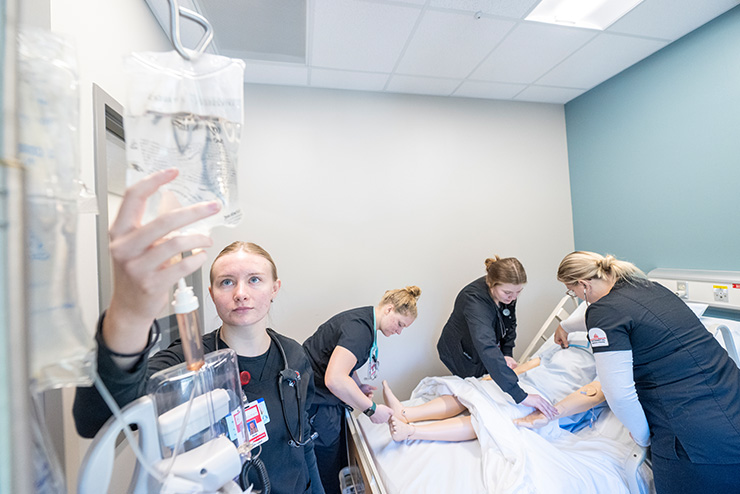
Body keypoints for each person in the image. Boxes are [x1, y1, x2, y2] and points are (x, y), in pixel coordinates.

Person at [73, 169, 324, 494]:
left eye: (255, 279)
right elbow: (95, 419)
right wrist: (130, 313)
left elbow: (304, 444)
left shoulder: (294, 356)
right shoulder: (189, 361)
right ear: (210, 293)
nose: (241, 293)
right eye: (227, 282)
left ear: (275, 288)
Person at [556, 250, 740, 493]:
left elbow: (619, 394)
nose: (577, 296)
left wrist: (643, 438)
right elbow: (623, 317)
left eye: (573, 291)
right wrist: (565, 326)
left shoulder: (604, 312)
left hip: (696, 436)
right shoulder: (648, 287)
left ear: (583, 284)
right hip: (731, 396)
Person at [302, 287, 421, 494]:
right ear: (389, 309)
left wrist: (357, 386)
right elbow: (334, 379)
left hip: (319, 393)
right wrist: (372, 409)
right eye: (400, 324)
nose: (399, 331)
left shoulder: (363, 320)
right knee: (326, 465)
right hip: (316, 399)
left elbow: (344, 364)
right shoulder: (360, 331)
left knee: (335, 455)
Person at [436, 256, 557, 420]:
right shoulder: (473, 300)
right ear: (491, 284)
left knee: (487, 386)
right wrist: (521, 396)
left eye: (518, 292)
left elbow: (510, 323)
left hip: (484, 349)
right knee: (474, 390)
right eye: (508, 293)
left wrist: (507, 353)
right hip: (462, 353)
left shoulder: (508, 293)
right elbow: (486, 347)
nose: (513, 298)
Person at [384, 361, 605, 442]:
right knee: (471, 392)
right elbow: (537, 362)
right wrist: (501, 377)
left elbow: (594, 392)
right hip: (524, 384)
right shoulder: (573, 339)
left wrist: (551, 412)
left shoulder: (608, 358)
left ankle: (411, 432)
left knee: (488, 416)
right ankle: (406, 413)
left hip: (548, 399)